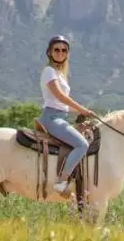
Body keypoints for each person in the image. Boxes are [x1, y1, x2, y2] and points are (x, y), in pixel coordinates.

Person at [37, 34, 97, 194]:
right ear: (49, 52)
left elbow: (63, 104)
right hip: (51, 118)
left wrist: (83, 113)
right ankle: (62, 181)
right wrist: (82, 109)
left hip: (60, 117)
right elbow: (60, 97)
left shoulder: (60, 74)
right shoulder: (49, 71)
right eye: (56, 49)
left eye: (64, 50)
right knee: (82, 144)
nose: (60, 53)